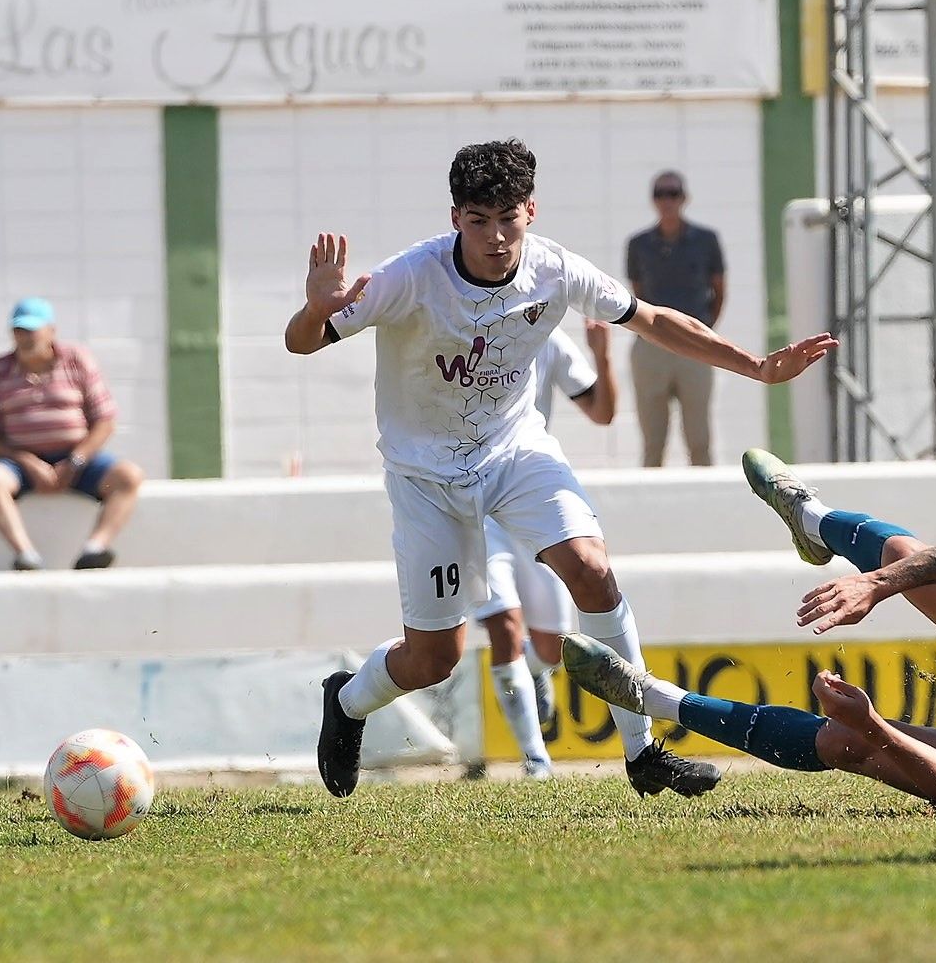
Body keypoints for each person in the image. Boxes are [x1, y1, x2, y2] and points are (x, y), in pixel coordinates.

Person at [283, 139, 834, 800]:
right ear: (455, 218)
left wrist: (757, 367)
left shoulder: (554, 270)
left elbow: (652, 318)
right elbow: (302, 341)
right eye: (479, 220)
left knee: (593, 569)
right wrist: (317, 309)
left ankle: (643, 753)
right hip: (425, 477)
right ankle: (345, 703)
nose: (495, 237)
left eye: (508, 218)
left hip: (517, 453)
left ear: (531, 211)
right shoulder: (409, 278)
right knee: (433, 660)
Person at [564, 449, 936, 815]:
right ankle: (812, 520)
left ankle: (653, 697)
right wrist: (878, 584)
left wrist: (873, 724)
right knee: (911, 559)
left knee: (844, 743)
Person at [480, 320, 616, 781]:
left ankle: (533, 668)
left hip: (528, 501)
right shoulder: (455, 326)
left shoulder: (548, 337)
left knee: (552, 647)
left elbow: (602, 412)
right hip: (471, 503)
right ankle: (536, 761)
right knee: (502, 625)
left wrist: (603, 353)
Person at [0, 297, 144, 571]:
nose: (25, 338)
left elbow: (105, 420)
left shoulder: (77, 361)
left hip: (79, 459)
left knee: (128, 476)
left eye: (32, 330)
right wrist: (27, 460)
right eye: (19, 331)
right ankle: (25, 554)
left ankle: (95, 548)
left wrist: (76, 460)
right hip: (20, 463)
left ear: (51, 330)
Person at [624, 170, 726, 467]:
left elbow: (719, 291)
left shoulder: (706, 240)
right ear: (653, 200)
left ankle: (708, 504)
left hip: (695, 346)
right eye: (660, 194)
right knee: (653, 441)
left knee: (700, 439)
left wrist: (704, 333)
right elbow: (639, 294)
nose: (667, 201)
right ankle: (650, 510)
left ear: (684, 198)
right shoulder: (639, 244)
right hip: (651, 347)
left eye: (673, 194)